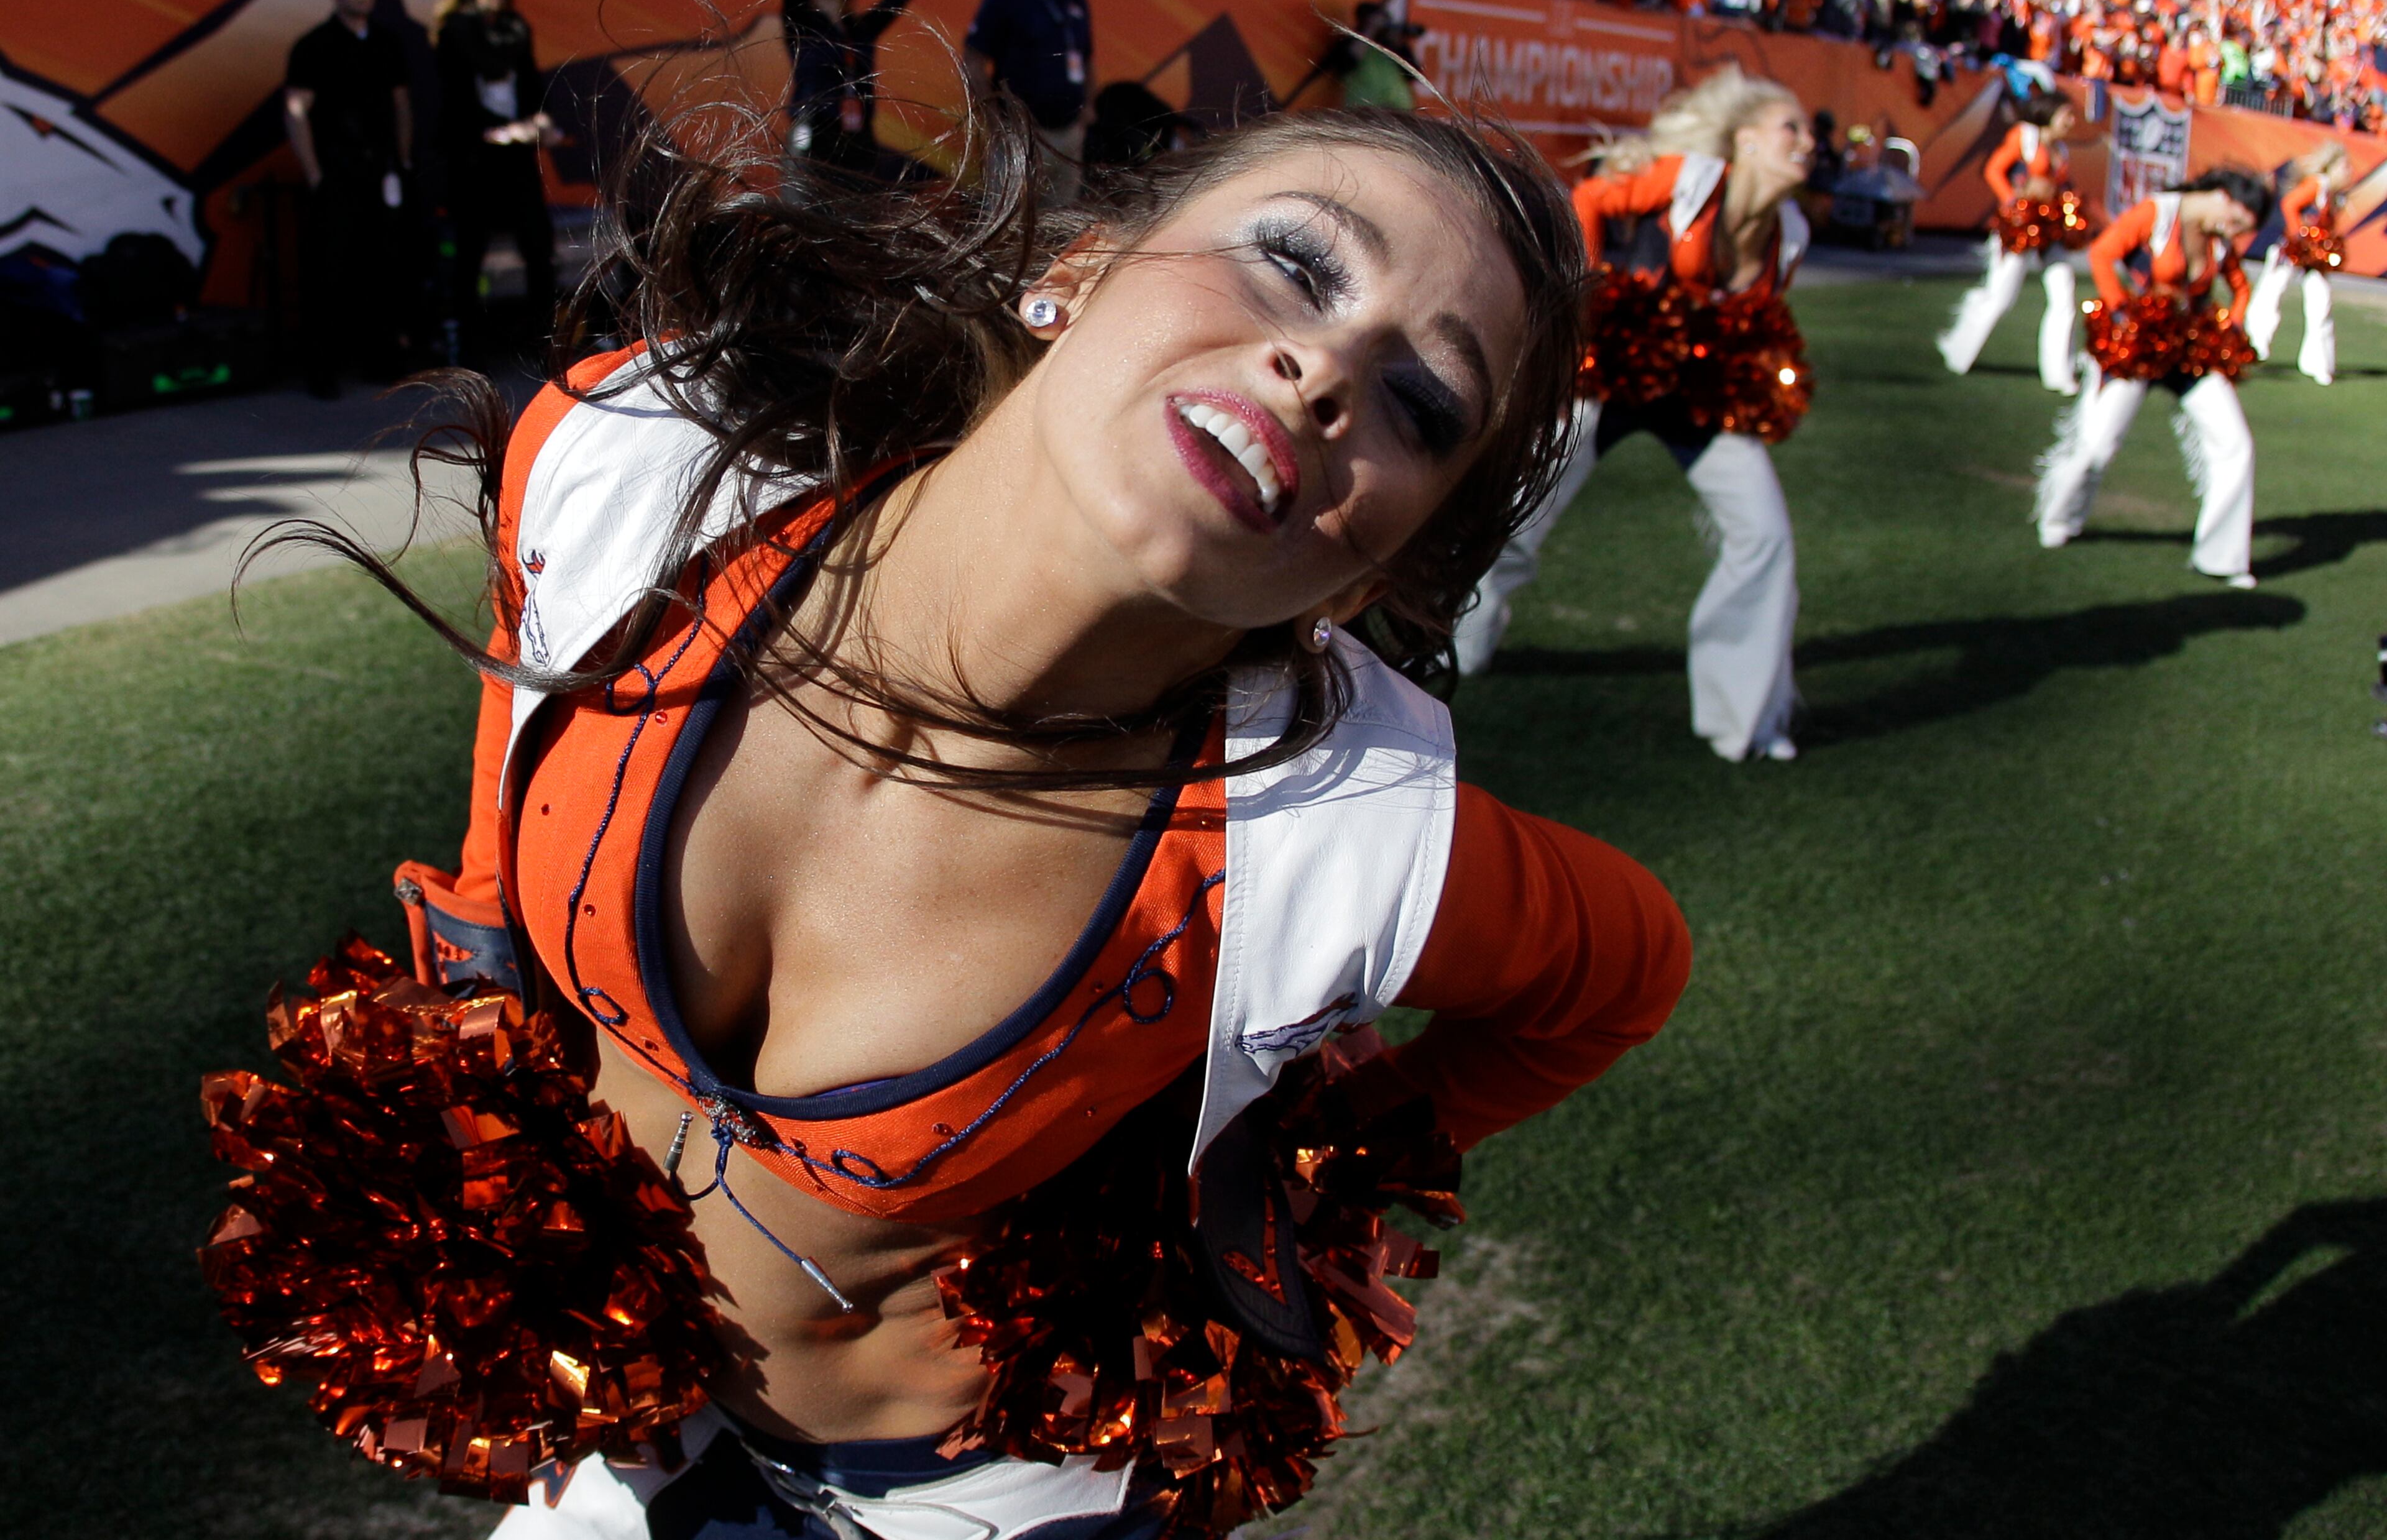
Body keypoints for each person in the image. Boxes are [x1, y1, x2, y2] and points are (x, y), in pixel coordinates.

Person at [306, 104, 1688, 1537]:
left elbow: (1620, 974)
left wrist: (1314, 1161)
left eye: (1420, 405)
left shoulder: (1349, 832)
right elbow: (503, 794)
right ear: (1077, 277)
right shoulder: (631, 465)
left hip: (981, 1494)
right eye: (1294, 260)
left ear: (1369, 570)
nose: (1328, 366)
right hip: (632, 1408)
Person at [1454, 68, 1814, 764]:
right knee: (1518, 517)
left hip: (1698, 392)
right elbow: (1589, 196)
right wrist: (1584, 298)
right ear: (1745, 139)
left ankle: (1744, 720)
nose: (1807, 143)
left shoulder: (1789, 233)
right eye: (1790, 128)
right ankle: (1458, 646)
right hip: (1609, 371)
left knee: (1765, 535)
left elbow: (1758, 316)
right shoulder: (1692, 177)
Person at [2033, 169, 2273, 586]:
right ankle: (2059, 518)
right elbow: (2103, 254)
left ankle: (2223, 557)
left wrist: (2230, 327)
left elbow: (2240, 286)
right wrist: (2124, 313)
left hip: (2189, 350)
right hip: (2139, 345)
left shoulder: (2218, 237)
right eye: (2236, 221)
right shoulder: (2159, 213)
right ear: (2221, 196)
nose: (2234, 232)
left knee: (2236, 444)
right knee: (2097, 444)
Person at [283, 0, 413, 398]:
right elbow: (297, 110)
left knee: (382, 267)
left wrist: (402, 159)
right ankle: (323, 369)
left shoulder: (386, 43)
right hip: (336, 173)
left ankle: (381, 359)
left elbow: (401, 103)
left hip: (379, 170)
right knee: (329, 272)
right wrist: (314, 171)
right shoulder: (314, 47)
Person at [432, 0, 556, 359]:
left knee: (538, 245)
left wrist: (537, 123)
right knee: (470, 254)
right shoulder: (455, 32)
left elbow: (530, 85)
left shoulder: (516, 28)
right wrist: (495, 130)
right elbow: (453, 101)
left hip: (517, 157)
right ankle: (468, 348)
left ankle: (547, 343)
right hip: (474, 160)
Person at [1936, 89, 2087, 393]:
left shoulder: (2062, 150)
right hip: (2021, 225)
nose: (2072, 121)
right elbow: (1994, 170)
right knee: (2001, 297)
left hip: (2050, 227)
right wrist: (2013, 204)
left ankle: (2059, 373)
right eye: (2067, 115)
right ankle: (1959, 350)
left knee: (2064, 292)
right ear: (2050, 113)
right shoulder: (2025, 137)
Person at [965, 0, 1095, 203]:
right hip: (1022, 138)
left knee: (1062, 229)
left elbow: (1087, 58)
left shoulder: (1077, 1)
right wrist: (994, 119)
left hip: (1068, 136)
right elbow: (973, 60)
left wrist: (1088, 106)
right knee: (1011, 227)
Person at [781, 0, 918, 180]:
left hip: (858, 135)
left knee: (857, 206)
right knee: (809, 207)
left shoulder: (861, 29)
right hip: (816, 128)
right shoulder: (801, 24)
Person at [2244, 140, 2345, 385]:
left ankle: (2318, 363)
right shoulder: (2317, 184)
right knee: (2269, 296)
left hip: (2312, 257)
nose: (2348, 172)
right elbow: (2289, 204)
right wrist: (2300, 235)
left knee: (2321, 301)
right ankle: (2253, 347)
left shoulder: (2334, 194)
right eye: (2345, 166)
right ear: (2333, 167)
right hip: (2290, 250)